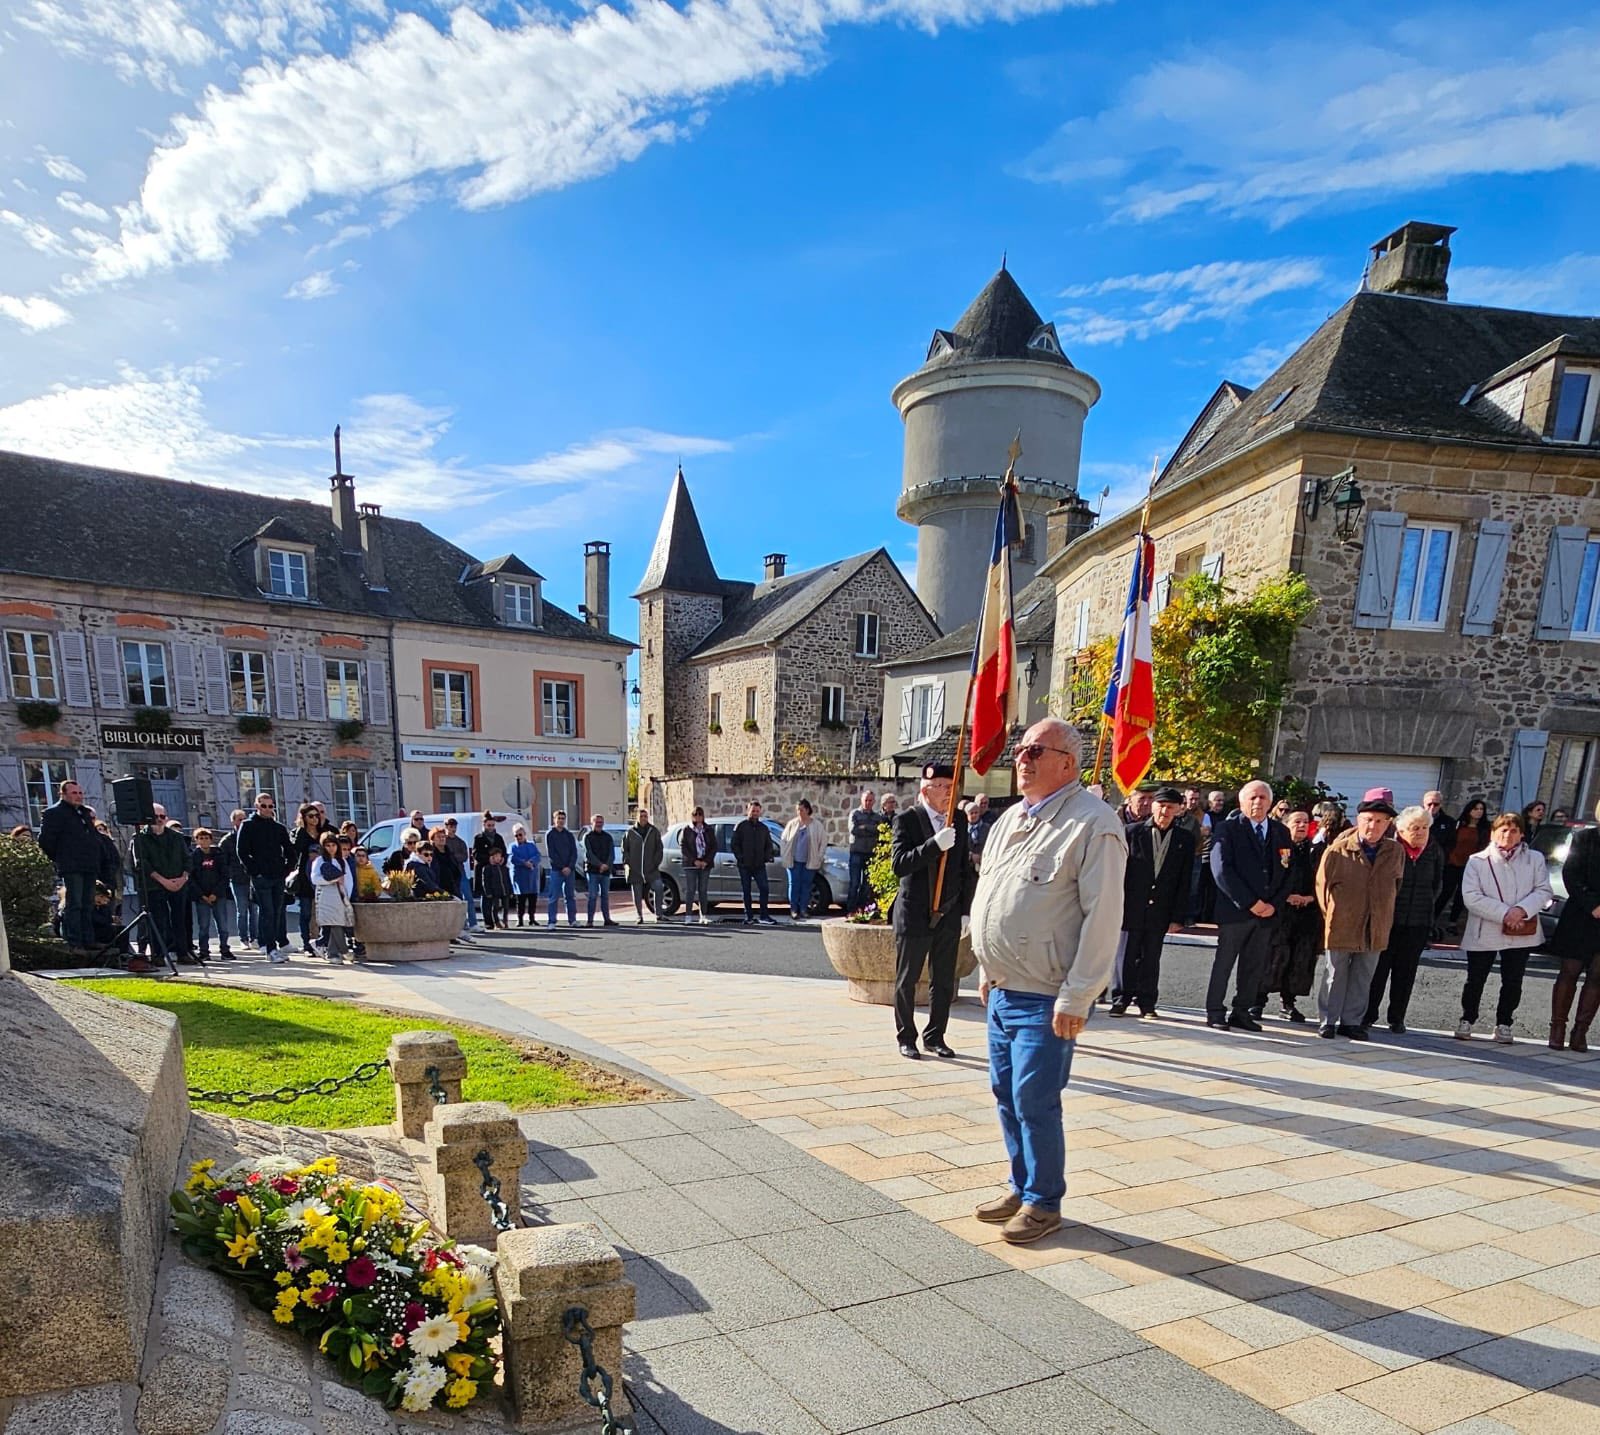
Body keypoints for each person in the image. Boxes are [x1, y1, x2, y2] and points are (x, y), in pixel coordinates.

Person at [970, 719, 1125, 1245]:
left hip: (1047, 995)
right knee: (1006, 1095)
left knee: (1035, 1098)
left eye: (1036, 750)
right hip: (1004, 987)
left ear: (1069, 762)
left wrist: (1078, 995)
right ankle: (1022, 1183)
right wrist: (987, 969)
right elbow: (992, 897)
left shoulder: (1092, 823)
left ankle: (1043, 1201)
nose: (1023, 758)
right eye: (1020, 749)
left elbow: (1104, 917)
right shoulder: (1011, 818)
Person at [891, 763, 971, 1061]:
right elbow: (900, 864)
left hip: (948, 911)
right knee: (907, 978)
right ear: (926, 788)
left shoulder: (958, 819)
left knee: (944, 979)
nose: (950, 793)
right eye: (944, 787)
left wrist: (965, 910)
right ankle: (906, 1036)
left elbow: (964, 868)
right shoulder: (907, 820)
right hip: (914, 911)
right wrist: (934, 845)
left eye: (952, 788)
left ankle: (936, 1035)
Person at [1457, 811, 1553, 1043]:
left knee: (1513, 979)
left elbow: (1544, 890)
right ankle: (1467, 1018)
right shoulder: (1477, 861)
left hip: (1521, 929)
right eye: (1503, 829)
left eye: (1513, 830)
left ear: (1521, 834)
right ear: (1493, 833)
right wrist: (1505, 913)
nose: (1508, 835)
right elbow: (1471, 897)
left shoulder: (1535, 859)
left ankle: (1504, 1022)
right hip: (1486, 928)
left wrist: (1521, 910)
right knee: (1475, 978)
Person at [1314, 791, 1403, 1039]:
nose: (1372, 825)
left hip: (1376, 923)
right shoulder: (1338, 850)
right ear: (1358, 819)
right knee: (1335, 973)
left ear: (1388, 824)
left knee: (1364, 975)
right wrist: (1332, 914)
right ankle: (1328, 1021)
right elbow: (1322, 887)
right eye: (1368, 819)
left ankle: (1351, 1022)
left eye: (1379, 821)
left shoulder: (1395, 852)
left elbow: (1397, 885)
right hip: (1342, 920)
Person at [1205, 781, 1292, 1031]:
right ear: (1242, 802)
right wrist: (1251, 903)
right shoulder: (1227, 829)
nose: (1258, 802)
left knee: (1254, 966)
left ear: (1271, 802)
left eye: (1263, 797)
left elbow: (1287, 871)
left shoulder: (1280, 832)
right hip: (1236, 911)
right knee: (1224, 963)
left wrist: (1273, 905)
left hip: (1267, 913)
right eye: (1253, 797)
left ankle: (1242, 1011)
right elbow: (1221, 870)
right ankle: (1215, 1011)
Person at [1110, 786, 1194, 1019]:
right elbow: (1119, 871)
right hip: (1132, 905)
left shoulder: (1184, 839)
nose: (1164, 811)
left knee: (1151, 957)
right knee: (1125, 955)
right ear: (1153, 806)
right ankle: (1120, 999)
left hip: (1161, 908)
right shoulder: (1132, 832)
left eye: (1170, 807)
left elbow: (1185, 879)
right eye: (1161, 805)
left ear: (1178, 810)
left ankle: (1147, 1002)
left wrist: (1179, 916)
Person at [1363, 805, 1444, 1034]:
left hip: (1418, 922)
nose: (1420, 832)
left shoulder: (1434, 851)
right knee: (1378, 971)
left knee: (1406, 973)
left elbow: (1437, 885)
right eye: (1414, 828)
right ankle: (1368, 1014)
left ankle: (1396, 1017)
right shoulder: (1389, 848)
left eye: (1425, 828)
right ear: (1401, 829)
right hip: (1389, 920)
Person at [1256, 809, 1321, 1023]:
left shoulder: (1316, 850)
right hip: (1281, 911)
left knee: (1299, 959)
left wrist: (1310, 898)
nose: (1301, 826)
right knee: (1272, 956)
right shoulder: (1279, 848)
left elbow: (1323, 880)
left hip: (1307, 912)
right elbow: (1271, 877)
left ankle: (1288, 1003)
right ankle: (1258, 1001)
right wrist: (1286, 896)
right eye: (1296, 822)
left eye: (1305, 822)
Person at [1546, 801, 1600, 1051]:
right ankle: (1557, 1027)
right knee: (1569, 971)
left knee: (1597, 977)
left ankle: (1580, 1031)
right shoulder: (1583, 838)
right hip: (1580, 914)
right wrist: (1592, 905)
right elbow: (1571, 874)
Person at [37, 779, 101, 954]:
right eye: (74, 793)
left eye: (80, 793)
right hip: (71, 865)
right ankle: (74, 942)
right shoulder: (54, 813)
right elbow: (46, 841)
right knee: (75, 903)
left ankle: (88, 939)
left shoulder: (84, 813)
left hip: (88, 865)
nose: (78, 796)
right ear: (63, 794)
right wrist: (60, 858)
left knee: (88, 903)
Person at [237, 791, 295, 962]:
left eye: (270, 806)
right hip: (261, 877)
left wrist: (286, 870)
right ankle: (269, 948)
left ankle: (272, 945)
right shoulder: (247, 825)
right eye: (263, 806)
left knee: (277, 911)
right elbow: (242, 852)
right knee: (267, 911)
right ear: (257, 806)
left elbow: (290, 851)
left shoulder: (278, 828)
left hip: (277, 875)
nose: (267, 809)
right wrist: (255, 871)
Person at [133, 803, 192, 963]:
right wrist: (163, 881)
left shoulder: (177, 837)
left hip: (178, 884)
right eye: (155, 817)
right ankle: (158, 955)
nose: (159, 820)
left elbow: (187, 859)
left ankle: (183, 953)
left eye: (162, 817)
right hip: (155, 886)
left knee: (180, 920)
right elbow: (142, 864)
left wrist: (183, 878)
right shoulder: (140, 838)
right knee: (159, 921)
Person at [1438, 797, 1490, 929]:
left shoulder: (1484, 829)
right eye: (1476, 809)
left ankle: (1453, 922)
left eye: (1481, 809)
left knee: (1461, 895)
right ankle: (1434, 918)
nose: (1478, 812)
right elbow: (1449, 841)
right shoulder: (1458, 825)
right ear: (1469, 810)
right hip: (1452, 863)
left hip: (1470, 866)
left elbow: (1484, 846)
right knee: (1446, 892)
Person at [188, 827, 235, 961]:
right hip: (201, 897)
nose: (204, 841)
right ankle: (204, 951)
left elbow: (224, 876)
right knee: (204, 926)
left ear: (211, 839)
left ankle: (225, 950)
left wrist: (216, 893)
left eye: (206, 838)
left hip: (218, 896)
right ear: (196, 840)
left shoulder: (218, 855)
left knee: (223, 925)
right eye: (201, 838)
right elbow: (191, 878)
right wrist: (201, 895)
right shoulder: (193, 857)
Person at [730, 800, 777, 925]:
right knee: (746, 891)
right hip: (745, 865)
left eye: (757, 811)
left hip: (759, 865)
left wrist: (766, 857)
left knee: (764, 889)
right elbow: (734, 844)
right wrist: (741, 858)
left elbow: (769, 845)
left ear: (760, 812)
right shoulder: (741, 826)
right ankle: (749, 916)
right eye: (753, 811)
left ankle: (764, 915)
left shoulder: (763, 828)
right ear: (748, 811)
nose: (755, 813)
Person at [312, 830, 354, 964]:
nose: (331, 848)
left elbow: (348, 879)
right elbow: (315, 879)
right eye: (327, 845)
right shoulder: (319, 861)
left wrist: (347, 893)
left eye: (333, 845)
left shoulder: (341, 861)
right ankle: (340, 951)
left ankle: (333, 951)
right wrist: (332, 880)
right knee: (333, 922)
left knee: (338, 922)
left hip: (340, 895)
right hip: (326, 895)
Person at [781, 799, 827, 922]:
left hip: (809, 861)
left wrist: (819, 856)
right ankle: (794, 909)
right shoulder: (792, 824)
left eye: (801, 809)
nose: (799, 812)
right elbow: (784, 840)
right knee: (794, 884)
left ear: (807, 810)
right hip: (793, 860)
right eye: (797, 810)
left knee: (806, 886)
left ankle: (803, 909)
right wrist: (784, 854)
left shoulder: (816, 825)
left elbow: (823, 842)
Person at [290, 803, 326, 954]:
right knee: (305, 912)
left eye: (316, 816)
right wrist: (300, 829)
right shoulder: (301, 833)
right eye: (311, 816)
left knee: (321, 913)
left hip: (320, 876)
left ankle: (321, 941)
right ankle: (306, 943)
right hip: (305, 878)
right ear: (304, 818)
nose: (315, 819)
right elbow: (295, 850)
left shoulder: (322, 833)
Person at [219, 808, 253, 949]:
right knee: (242, 910)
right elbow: (222, 862)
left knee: (254, 910)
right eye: (239, 819)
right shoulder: (227, 841)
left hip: (251, 878)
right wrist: (231, 874)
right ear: (233, 821)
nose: (242, 822)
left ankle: (254, 937)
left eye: (244, 819)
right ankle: (243, 938)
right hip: (237, 880)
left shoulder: (251, 837)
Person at [622, 808, 664, 923]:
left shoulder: (653, 831)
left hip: (651, 868)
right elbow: (625, 849)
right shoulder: (630, 832)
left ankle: (659, 914)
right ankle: (639, 916)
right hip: (635, 869)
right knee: (637, 893)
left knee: (659, 887)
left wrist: (655, 862)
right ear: (637, 818)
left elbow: (659, 849)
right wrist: (628, 863)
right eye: (641, 816)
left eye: (645, 816)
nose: (644, 818)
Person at [678, 806, 717, 925]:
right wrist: (694, 860)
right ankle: (688, 916)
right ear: (692, 816)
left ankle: (703, 915)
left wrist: (706, 861)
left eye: (700, 814)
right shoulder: (687, 830)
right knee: (690, 890)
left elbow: (714, 846)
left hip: (705, 864)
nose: (698, 817)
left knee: (703, 890)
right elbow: (684, 847)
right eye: (696, 814)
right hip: (691, 864)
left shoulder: (708, 829)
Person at [1194, 789, 1228, 923]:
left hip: (1220, 858)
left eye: (1222, 801)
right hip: (1204, 856)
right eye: (1217, 800)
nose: (1220, 803)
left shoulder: (1227, 817)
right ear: (1209, 802)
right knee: (1199, 888)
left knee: (1215, 889)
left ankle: (1211, 916)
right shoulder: (1204, 816)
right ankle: (1198, 915)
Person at [847, 790, 883, 912]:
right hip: (856, 852)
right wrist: (870, 829)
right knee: (854, 883)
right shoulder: (855, 814)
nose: (868, 803)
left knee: (867, 885)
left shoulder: (877, 817)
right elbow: (854, 830)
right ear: (861, 800)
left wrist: (864, 827)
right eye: (866, 800)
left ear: (874, 801)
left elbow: (879, 831)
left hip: (871, 853)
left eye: (870, 800)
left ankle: (862, 909)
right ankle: (850, 910)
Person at [545, 810, 580, 927]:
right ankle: (551, 921)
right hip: (556, 870)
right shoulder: (550, 835)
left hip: (570, 871)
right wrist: (562, 867)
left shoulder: (569, 835)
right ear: (554, 820)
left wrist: (569, 867)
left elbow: (574, 853)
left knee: (570, 896)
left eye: (562, 818)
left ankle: (572, 920)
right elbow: (552, 854)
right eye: (558, 818)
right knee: (553, 896)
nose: (560, 821)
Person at [582, 815, 618, 927]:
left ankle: (607, 919)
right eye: (597, 822)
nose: (599, 824)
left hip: (606, 872)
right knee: (592, 896)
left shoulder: (608, 837)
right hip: (592, 871)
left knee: (605, 896)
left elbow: (611, 854)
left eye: (601, 822)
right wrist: (600, 865)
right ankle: (590, 920)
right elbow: (589, 854)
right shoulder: (587, 837)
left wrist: (607, 865)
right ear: (592, 823)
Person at [446, 818, 478, 934]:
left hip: (460, 872)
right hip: (449, 874)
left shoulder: (460, 842)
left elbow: (464, 856)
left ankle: (473, 923)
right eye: (450, 826)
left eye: (454, 826)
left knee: (468, 898)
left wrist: (453, 857)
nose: (453, 828)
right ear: (446, 827)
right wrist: (453, 857)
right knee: (456, 899)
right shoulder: (443, 841)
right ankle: (461, 924)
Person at [508, 825, 542, 926]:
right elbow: (512, 858)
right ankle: (520, 919)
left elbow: (538, 855)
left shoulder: (531, 845)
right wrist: (524, 863)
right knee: (520, 900)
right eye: (516, 835)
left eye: (520, 835)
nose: (518, 837)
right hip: (520, 876)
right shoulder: (512, 846)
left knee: (532, 899)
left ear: (524, 834)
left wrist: (531, 862)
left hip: (531, 876)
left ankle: (532, 918)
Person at [481, 847, 513, 930]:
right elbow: (485, 881)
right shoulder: (488, 868)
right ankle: (496, 922)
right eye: (496, 856)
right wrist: (488, 892)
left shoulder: (504, 868)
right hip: (495, 892)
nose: (498, 858)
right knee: (495, 907)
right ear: (492, 857)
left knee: (506, 907)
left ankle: (505, 920)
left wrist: (511, 891)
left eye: (500, 856)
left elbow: (508, 880)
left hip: (504, 891)